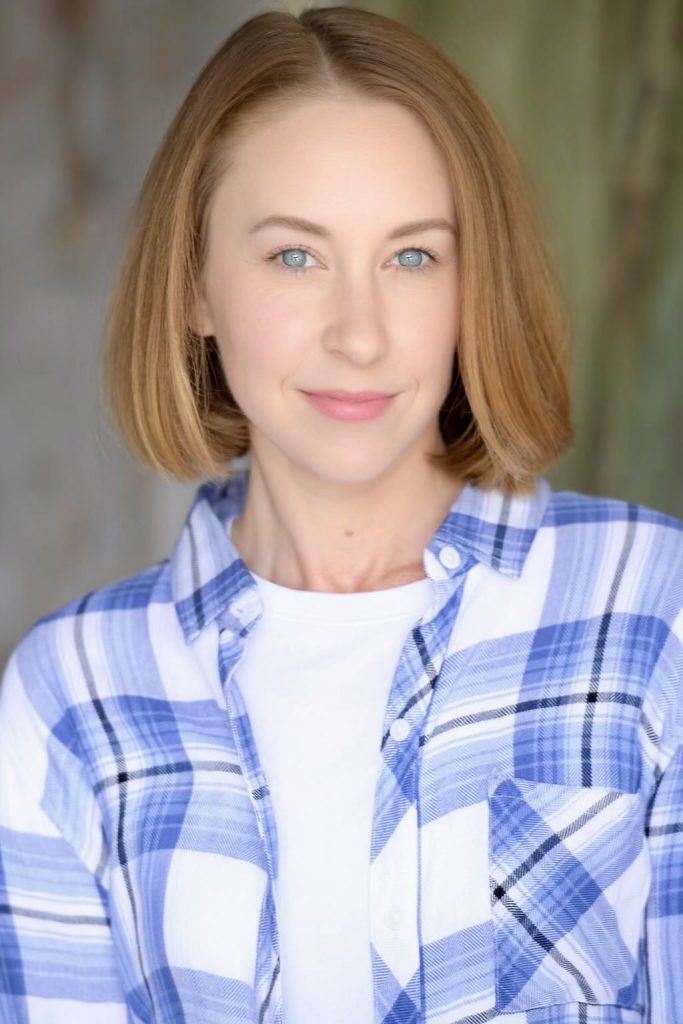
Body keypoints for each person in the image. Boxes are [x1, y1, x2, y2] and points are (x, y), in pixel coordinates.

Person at [0, 4, 681, 1022]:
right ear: (195, 287)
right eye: (294, 256)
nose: (358, 335)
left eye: (411, 257)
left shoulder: (653, 612)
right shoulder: (72, 698)